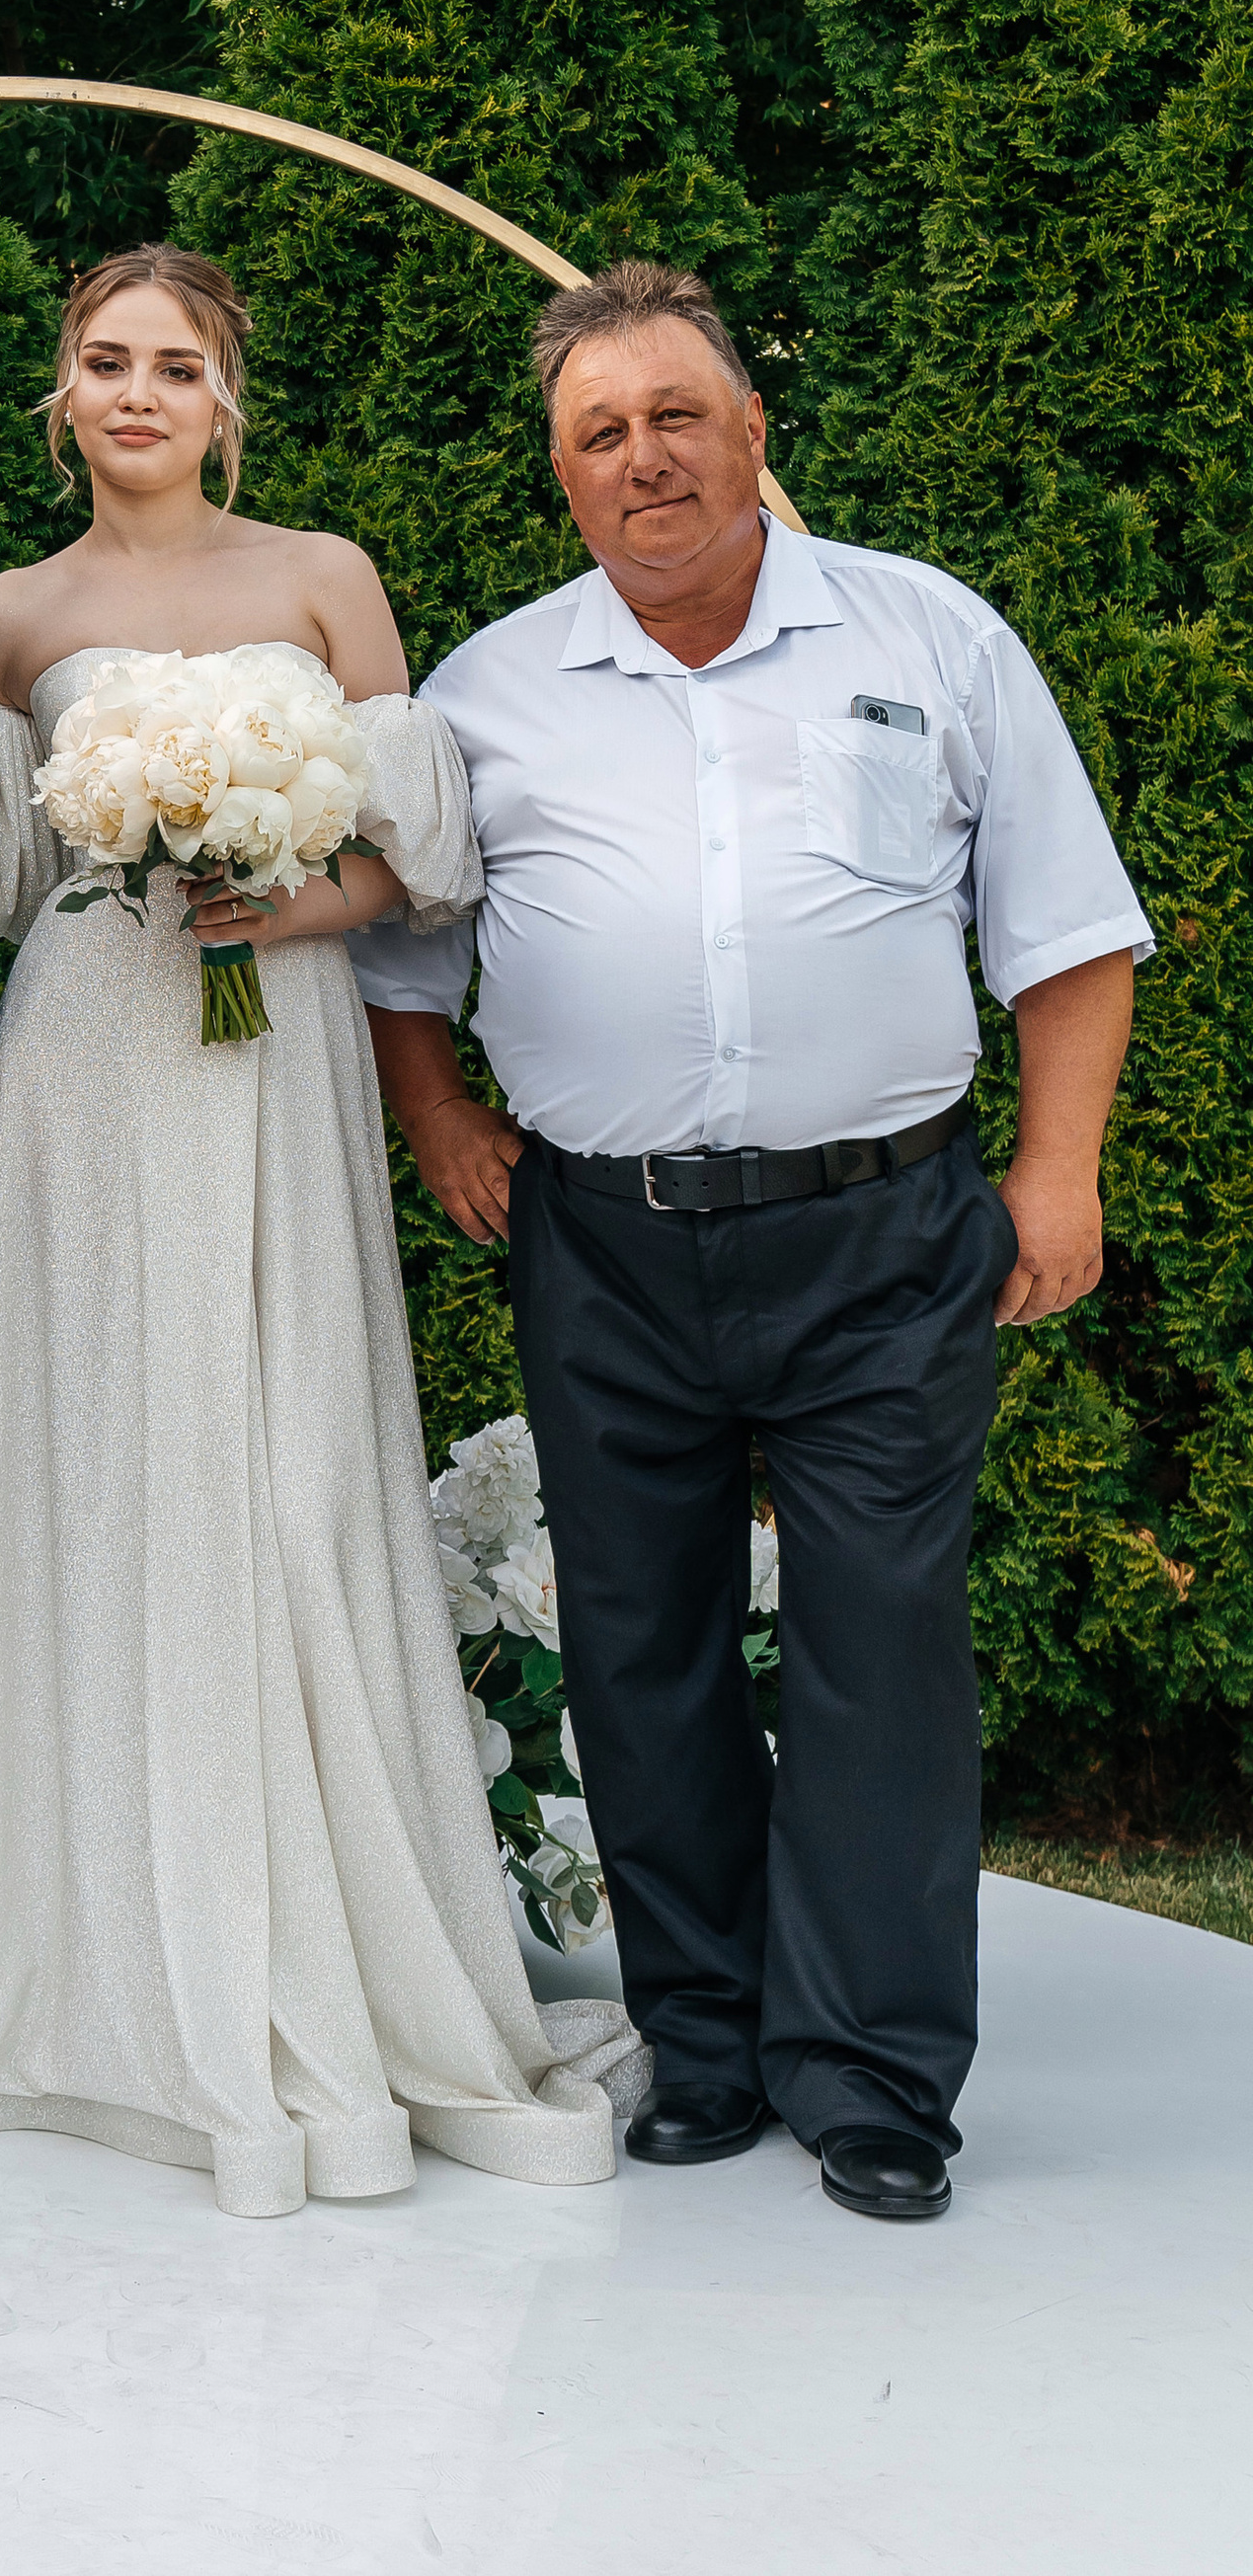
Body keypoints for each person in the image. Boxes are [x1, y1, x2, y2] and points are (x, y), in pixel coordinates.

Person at [0, 247, 642, 2217]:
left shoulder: (320, 575)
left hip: (267, 1046)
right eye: (102, 359)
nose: (134, 390)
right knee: (112, 1470)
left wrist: (293, 893)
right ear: (60, 394)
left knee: (282, 1476)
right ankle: (100, 1961)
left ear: (223, 400)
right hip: (95, 1064)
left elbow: (417, 843)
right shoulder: (13, 611)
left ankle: (326, 1935)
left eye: (172, 364)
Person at [353, 257, 1149, 2226]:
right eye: (596, 435)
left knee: (880, 1650)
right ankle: (702, 2043)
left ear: (748, 432)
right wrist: (440, 1119)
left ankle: (870, 2070)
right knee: (640, 1650)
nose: (641, 458)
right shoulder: (488, 691)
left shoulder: (924, 637)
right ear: (561, 482)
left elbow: (1062, 930)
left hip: (881, 1233)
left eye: (672, 416)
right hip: (604, 1249)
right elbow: (397, 950)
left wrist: (1056, 1177)